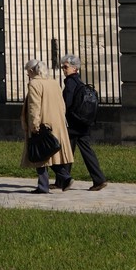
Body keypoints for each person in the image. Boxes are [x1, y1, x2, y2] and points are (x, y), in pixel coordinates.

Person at [21, 58, 73, 194]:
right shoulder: (54, 83)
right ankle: (64, 177)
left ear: (32, 71)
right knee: (50, 152)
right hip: (57, 122)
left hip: (42, 122)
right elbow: (62, 104)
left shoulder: (34, 84)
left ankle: (43, 185)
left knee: (39, 153)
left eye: (28, 72)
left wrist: (34, 125)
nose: (27, 75)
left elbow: (34, 107)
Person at [60, 54, 108, 191]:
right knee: (83, 150)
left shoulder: (70, 82)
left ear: (74, 68)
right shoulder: (79, 81)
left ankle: (63, 179)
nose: (63, 70)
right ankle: (98, 179)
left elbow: (67, 103)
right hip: (82, 122)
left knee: (67, 151)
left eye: (65, 67)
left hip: (73, 123)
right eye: (62, 67)